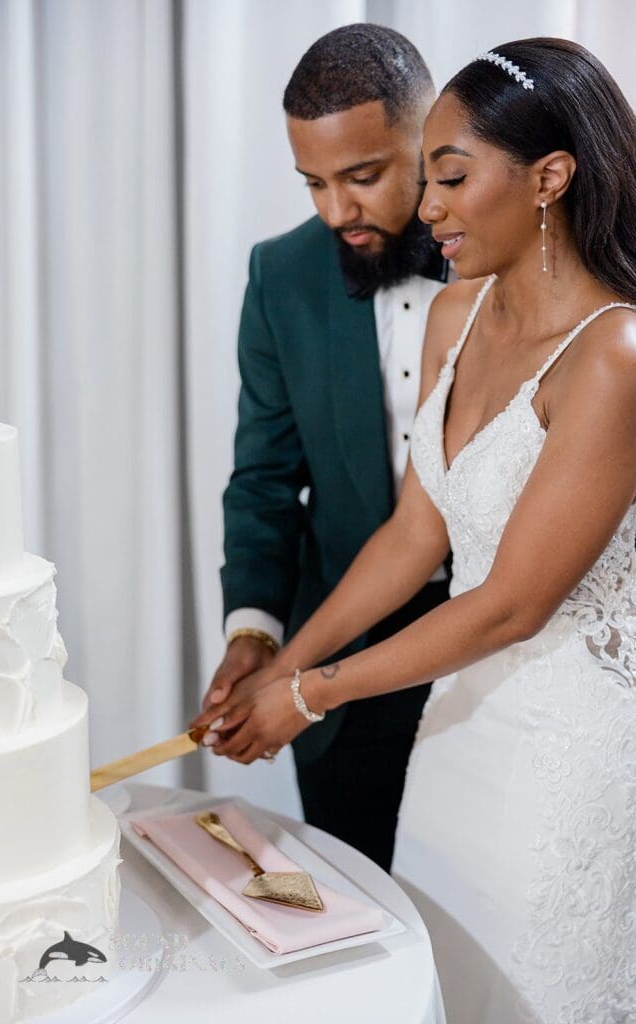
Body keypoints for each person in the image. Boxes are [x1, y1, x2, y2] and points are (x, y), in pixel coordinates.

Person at [203, 37, 636, 1021]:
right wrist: (280, 660)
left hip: (564, 736)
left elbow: (508, 602)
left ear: (548, 179)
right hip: (455, 726)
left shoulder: (618, 351)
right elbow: (413, 532)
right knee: (437, 979)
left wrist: (309, 693)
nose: (426, 208)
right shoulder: (454, 313)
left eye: (445, 176)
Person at [191, 25, 453, 872]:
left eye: (363, 176)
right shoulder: (282, 276)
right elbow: (263, 481)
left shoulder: (517, 257)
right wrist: (256, 637)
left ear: (432, 133)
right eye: (313, 183)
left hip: (508, 661)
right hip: (340, 659)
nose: (336, 211)